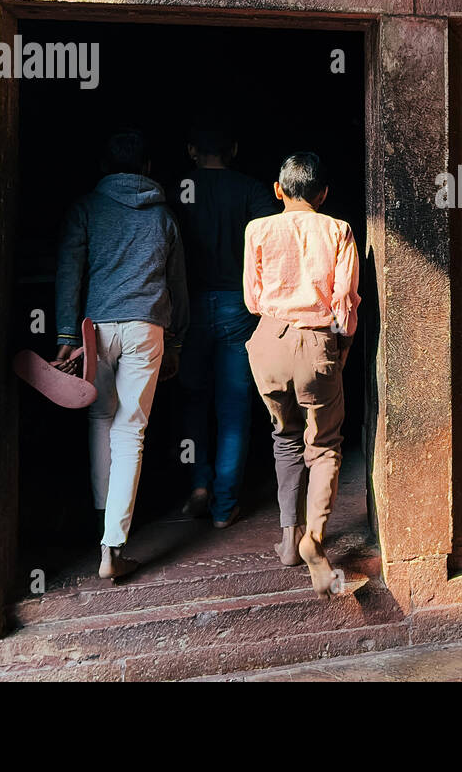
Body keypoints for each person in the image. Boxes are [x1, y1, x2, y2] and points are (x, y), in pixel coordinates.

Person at [55, 130, 188, 580]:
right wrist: (176, 340)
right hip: (146, 328)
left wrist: (65, 333)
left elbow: (69, 273)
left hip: (95, 330)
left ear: (102, 167)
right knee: (131, 432)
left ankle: (101, 520)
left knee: (99, 420)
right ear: (148, 168)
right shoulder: (164, 217)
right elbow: (178, 287)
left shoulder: (85, 208)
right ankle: (112, 547)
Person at [243, 153, 360, 596]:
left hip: (268, 342)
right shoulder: (337, 229)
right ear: (324, 193)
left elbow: (252, 299)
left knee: (284, 436)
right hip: (316, 343)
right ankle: (314, 538)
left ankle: (288, 541)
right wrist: (341, 347)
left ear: (278, 190)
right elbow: (343, 302)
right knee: (325, 447)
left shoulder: (257, 229)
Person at [172, 121, 276, 528]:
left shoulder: (178, 190)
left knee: (193, 400)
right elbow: (270, 249)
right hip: (239, 307)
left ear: (192, 150)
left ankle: (199, 486)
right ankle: (224, 505)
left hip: (189, 308)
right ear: (233, 148)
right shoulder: (252, 191)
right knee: (234, 409)